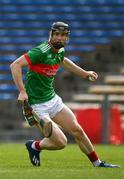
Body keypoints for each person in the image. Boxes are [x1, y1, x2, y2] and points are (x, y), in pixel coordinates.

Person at [10, 21, 120, 168]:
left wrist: (85, 74)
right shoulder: (40, 51)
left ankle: (97, 163)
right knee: (61, 143)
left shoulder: (60, 51)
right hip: (36, 104)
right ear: (51, 35)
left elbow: (64, 61)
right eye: (57, 34)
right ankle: (36, 143)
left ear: (67, 37)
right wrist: (22, 91)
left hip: (53, 100)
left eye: (63, 35)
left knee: (78, 130)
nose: (60, 38)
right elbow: (15, 65)